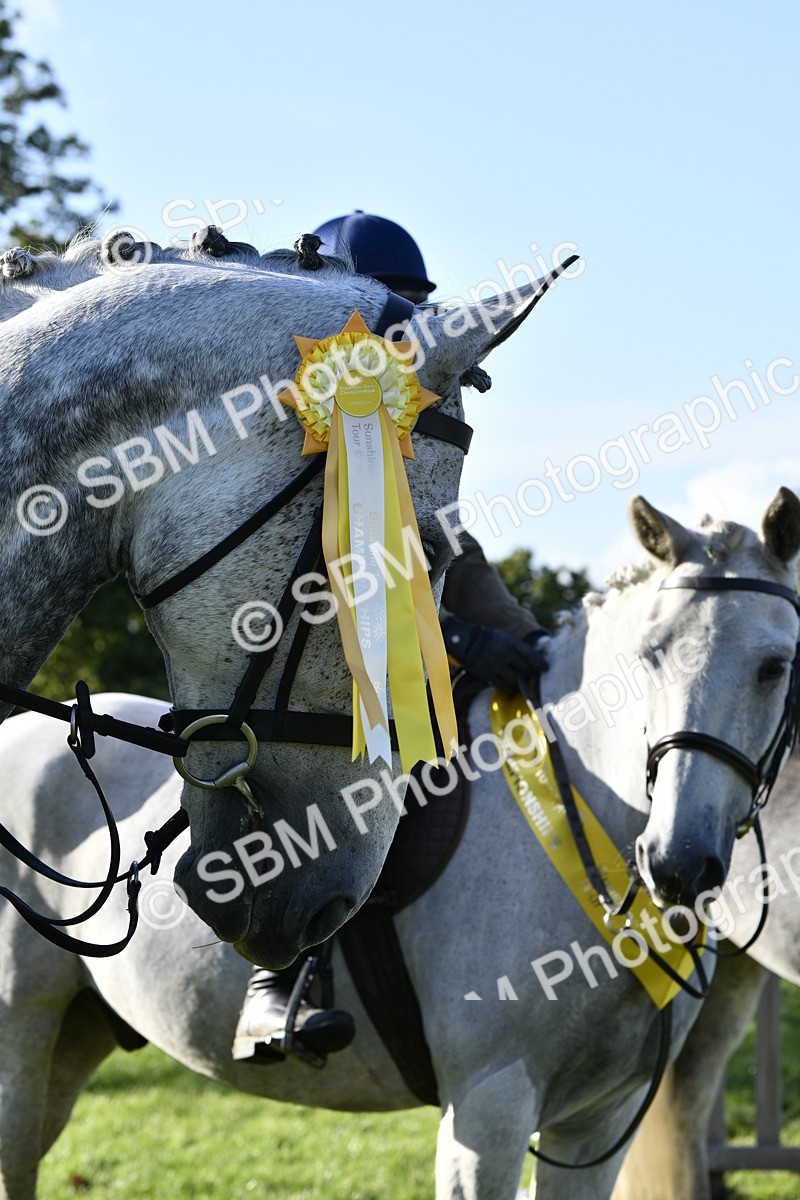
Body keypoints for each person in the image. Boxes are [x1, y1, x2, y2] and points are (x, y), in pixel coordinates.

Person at [231, 213, 547, 1065]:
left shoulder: (402, 422)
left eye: (409, 318)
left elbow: (443, 547)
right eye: (390, 318)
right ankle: (279, 983)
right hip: (286, 651)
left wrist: (526, 640)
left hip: (395, 635)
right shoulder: (287, 426)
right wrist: (456, 641)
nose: (404, 341)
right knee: (333, 763)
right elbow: (327, 579)